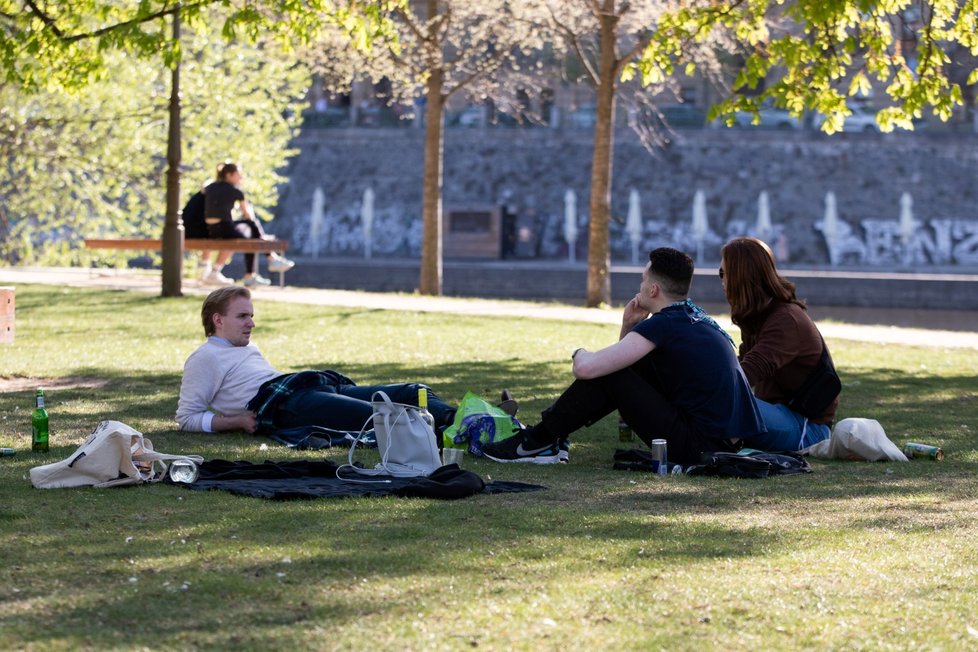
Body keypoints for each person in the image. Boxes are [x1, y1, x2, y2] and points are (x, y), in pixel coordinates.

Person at [481, 247, 766, 466]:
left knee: (609, 373)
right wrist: (629, 326)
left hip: (699, 448)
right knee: (619, 371)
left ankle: (537, 441)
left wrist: (579, 352)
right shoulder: (692, 318)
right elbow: (626, 364)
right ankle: (548, 437)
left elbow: (589, 370)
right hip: (723, 444)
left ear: (653, 289)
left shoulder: (664, 324)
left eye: (643, 280)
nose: (640, 286)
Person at [176, 286, 467, 438]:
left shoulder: (245, 347)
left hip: (305, 388)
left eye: (251, 316)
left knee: (411, 390)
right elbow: (187, 418)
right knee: (381, 416)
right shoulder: (204, 358)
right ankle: (464, 433)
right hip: (284, 405)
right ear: (218, 320)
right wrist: (236, 421)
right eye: (242, 316)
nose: (251, 323)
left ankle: (463, 420)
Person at [719, 237, 838, 451]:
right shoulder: (757, 316)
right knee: (718, 399)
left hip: (807, 428)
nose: (722, 281)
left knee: (722, 401)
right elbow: (740, 369)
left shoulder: (786, 320)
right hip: (781, 415)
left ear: (739, 277)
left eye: (723, 274)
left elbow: (745, 375)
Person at [204, 162, 294, 287]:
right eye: (238, 175)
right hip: (224, 228)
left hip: (210, 229)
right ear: (229, 175)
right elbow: (247, 215)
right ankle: (263, 264)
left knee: (251, 232)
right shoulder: (235, 190)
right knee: (251, 230)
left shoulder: (211, 187)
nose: (241, 178)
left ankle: (268, 260)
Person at [180, 185, 227, 286]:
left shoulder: (201, 197)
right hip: (190, 232)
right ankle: (213, 272)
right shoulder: (210, 199)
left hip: (186, 230)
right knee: (231, 238)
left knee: (212, 233)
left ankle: (205, 269)